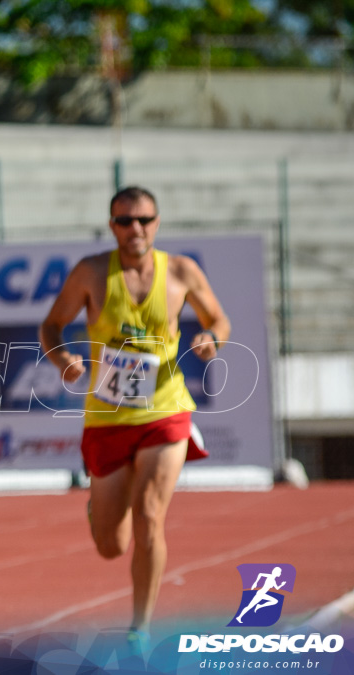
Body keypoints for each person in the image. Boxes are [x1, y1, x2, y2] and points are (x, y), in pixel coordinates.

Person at [39, 186, 230, 644]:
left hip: (165, 410)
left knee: (150, 516)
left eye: (143, 220)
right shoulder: (90, 273)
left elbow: (219, 319)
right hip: (107, 418)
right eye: (124, 221)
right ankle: (99, 511)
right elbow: (51, 325)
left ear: (157, 223)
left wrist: (211, 339)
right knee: (112, 545)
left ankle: (139, 630)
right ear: (112, 227)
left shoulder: (181, 271)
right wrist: (63, 359)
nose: (135, 229)